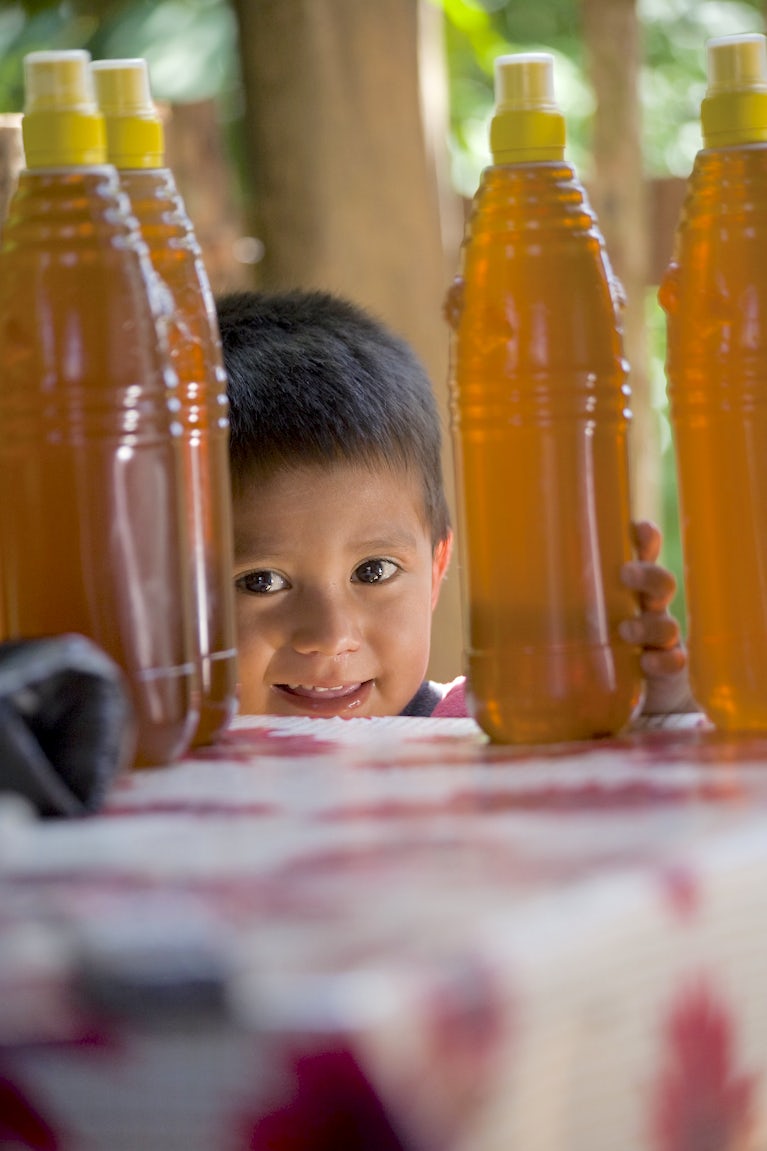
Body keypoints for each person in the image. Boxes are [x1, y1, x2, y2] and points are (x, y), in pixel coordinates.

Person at [217, 288, 696, 721]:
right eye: (261, 582)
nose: (330, 634)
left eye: (374, 571)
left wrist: (655, 707)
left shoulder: (495, 726)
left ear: (435, 568)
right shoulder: (159, 757)